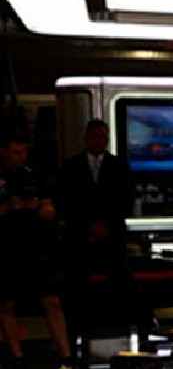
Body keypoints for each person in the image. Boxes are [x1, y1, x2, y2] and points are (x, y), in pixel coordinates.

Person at [58, 119, 136, 347]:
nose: (99, 141)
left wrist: (105, 225)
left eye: (103, 137)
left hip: (112, 233)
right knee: (75, 284)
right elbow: (66, 200)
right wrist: (88, 225)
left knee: (121, 280)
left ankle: (120, 326)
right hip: (79, 233)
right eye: (95, 137)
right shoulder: (70, 166)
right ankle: (78, 331)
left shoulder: (119, 166)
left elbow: (126, 199)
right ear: (86, 138)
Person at [0, 133, 71, 369]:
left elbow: (51, 209)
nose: (21, 157)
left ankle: (66, 356)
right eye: (16, 152)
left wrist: (42, 208)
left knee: (51, 301)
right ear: (4, 151)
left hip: (37, 247)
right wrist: (10, 207)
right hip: (6, 247)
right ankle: (17, 356)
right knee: (7, 304)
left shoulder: (36, 175)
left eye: (24, 152)